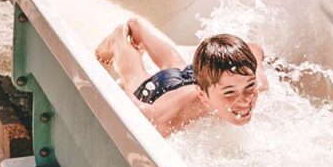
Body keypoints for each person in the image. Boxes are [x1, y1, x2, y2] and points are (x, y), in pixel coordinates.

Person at [95, 15, 268, 136]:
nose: (245, 100)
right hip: (162, 91)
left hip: (203, 77)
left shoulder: (252, 80)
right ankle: (119, 38)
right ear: (203, 96)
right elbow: (141, 112)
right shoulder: (169, 117)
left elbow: (254, 49)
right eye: (230, 93)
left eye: (249, 88)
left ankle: (141, 32)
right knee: (134, 77)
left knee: (176, 65)